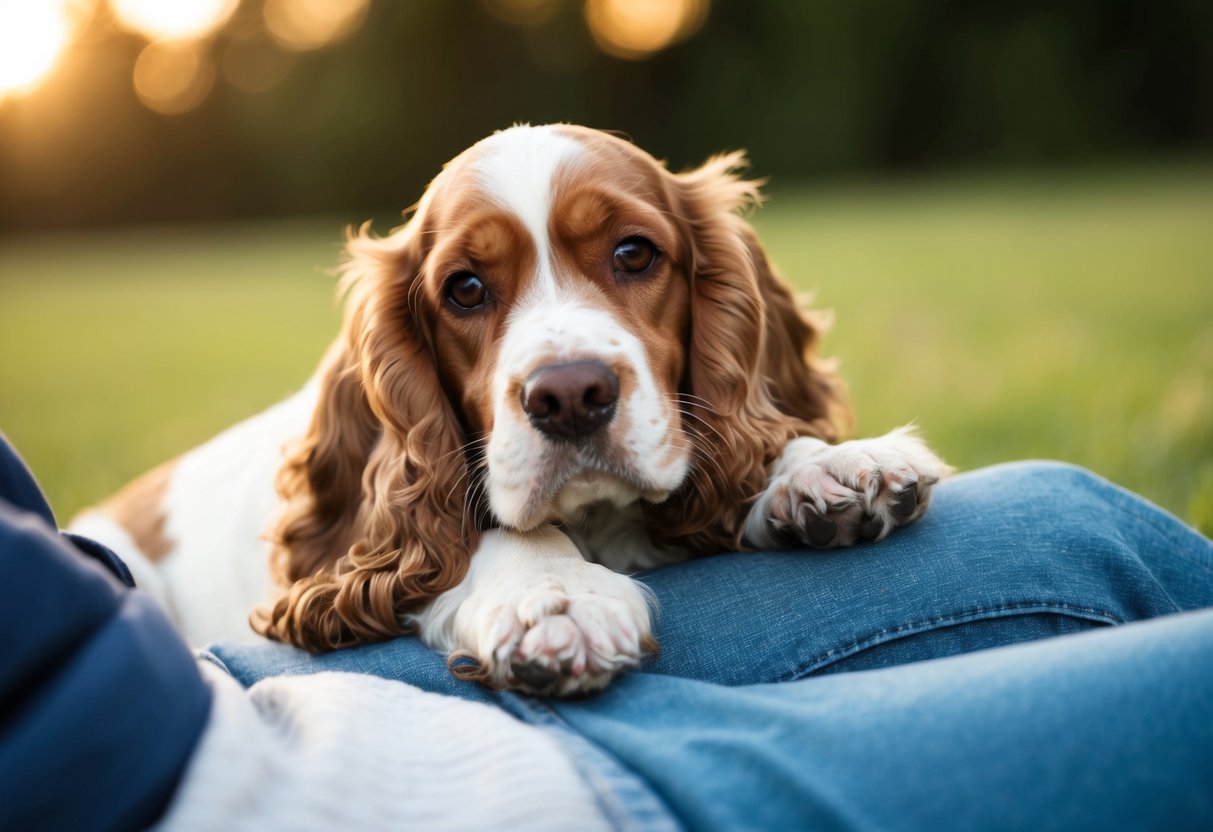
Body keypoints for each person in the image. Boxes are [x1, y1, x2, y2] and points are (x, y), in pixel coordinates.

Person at [2, 432, 1211, 831]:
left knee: (1071, 519)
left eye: (627, 256)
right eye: (472, 293)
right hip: (255, 793)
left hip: (186, 684)